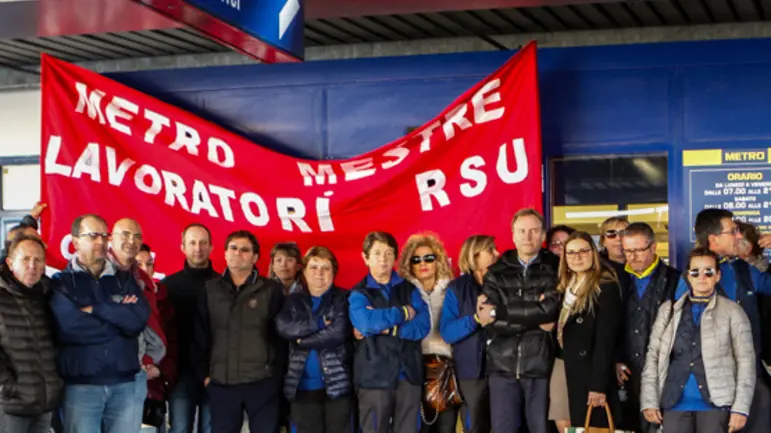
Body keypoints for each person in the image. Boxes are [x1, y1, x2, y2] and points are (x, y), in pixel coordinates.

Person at [49, 214, 150, 433]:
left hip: (125, 385)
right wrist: (118, 321)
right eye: (93, 235)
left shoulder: (124, 279)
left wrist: (97, 310)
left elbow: (138, 320)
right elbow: (71, 328)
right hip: (81, 388)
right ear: (75, 242)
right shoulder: (62, 283)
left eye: (104, 236)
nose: (101, 242)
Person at [676, 208, 771, 433]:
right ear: (713, 239)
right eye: (734, 231)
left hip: (751, 383)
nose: (739, 236)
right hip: (708, 392)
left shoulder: (743, 271)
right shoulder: (686, 282)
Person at [642, 248, 755, 433]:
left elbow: (746, 362)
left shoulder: (733, 311)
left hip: (717, 405)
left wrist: (741, 408)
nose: (702, 277)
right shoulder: (668, 310)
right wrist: (649, 401)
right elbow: (653, 356)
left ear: (718, 276)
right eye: (695, 272)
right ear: (688, 276)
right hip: (674, 402)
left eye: (708, 272)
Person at [191, 230, 285, 433]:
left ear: (255, 257)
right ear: (224, 253)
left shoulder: (270, 290)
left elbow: (281, 338)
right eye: (233, 248)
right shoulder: (210, 289)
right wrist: (204, 375)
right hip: (222, 384)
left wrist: (275, 376)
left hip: (262, 383)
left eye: (244, 250)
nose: (237, 253)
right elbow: (200, 335)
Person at [482, 208, 561, 433]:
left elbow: (550, 311)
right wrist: (536, 319)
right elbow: (490, 320)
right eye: (522, 231)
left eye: (534, 231)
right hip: (501, 367)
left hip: (541, 366)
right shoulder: (496, 272)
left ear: (543, 235)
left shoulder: (556, 268)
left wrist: (501, 311)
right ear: (513, 234)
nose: (528, 237)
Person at [349, 231, 430, 433]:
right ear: (365, 258)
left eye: (388, 253)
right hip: (373, 378)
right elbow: (366, 324)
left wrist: (388, 328)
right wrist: (402, 312)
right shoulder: (358, 293)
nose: (383, 259)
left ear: (395, 256)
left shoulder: (409, 289)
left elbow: (422, 327)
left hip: (408, 375)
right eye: (377, 253)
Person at [275, 246, 353, 433]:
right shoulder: (292, 300)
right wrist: (320, 323)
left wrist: (302, 340)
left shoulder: (344, 297)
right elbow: (284, 327)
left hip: (338, 387)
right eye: (314, 267)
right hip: (301, 387)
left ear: (334, 272)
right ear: (304, 271)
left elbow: (338, 332)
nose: (319, 273)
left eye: (325, 268)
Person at [616, 222, 679, 433]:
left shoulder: (676, 280)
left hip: (664, 370)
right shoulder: (616, 280)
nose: (632, 256)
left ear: (653, 247)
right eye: (627, 251)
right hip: (626, 371)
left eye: (638, 250)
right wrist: (615, 358)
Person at [556, 231, 623, 428]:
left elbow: (605, 341)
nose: (577, 257)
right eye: (571, 253)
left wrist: (598, 386)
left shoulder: (605, 286)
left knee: (592, 426)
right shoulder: (564, 286)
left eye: (583, 251)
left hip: (590, 373)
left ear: (594, 253)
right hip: (566, 365)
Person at [107, 218, 167, 431]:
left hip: (135, 372)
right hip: (100, 373)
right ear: (111, 238)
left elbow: (151, 325)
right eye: (125, 234)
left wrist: (150, 359)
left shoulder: (142, 279)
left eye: (137, 236)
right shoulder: (93, 272)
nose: (131, 241)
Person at [0, 235, 63, 433]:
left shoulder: (45, 296)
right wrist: (7, 386)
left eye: (38, 260)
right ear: (10, 263)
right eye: (25, 259)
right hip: (11, 406)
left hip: (44, 403)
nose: (32, 266)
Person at [397, 233, 456, 433]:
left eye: (429, 258)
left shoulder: (452, 289)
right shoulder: (403, 292)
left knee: (446, 427)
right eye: (416, 259)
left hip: (445, 366)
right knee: (420, 427)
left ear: (438, 260)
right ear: (409, 264)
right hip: (414, 366)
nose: (423, 263)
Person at [439, 235, 497, 433]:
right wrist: (475, 320)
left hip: (502, 369)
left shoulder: (504, 282)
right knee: (475, 426)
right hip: (470, 373)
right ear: (475, 255)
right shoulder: (457, 288)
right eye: (490, 250)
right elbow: (447, 332)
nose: (496, 253)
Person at [163, 223, 216, 433]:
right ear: (182, 247)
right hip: (180, 373)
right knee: (180, 428)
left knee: (212, 429)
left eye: (203, 243)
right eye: (192, 243)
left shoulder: (223, 285)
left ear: (211, 247)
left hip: (214, 373)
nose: (198, 248)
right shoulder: (168, 286)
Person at [137, 244, 178, 433]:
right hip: (126, 384)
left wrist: (161, 371)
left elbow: (173, 340)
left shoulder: (164, 298)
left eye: (149, 263)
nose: (145, 269)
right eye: (139, 264)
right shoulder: (119, 296)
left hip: (155, 387)